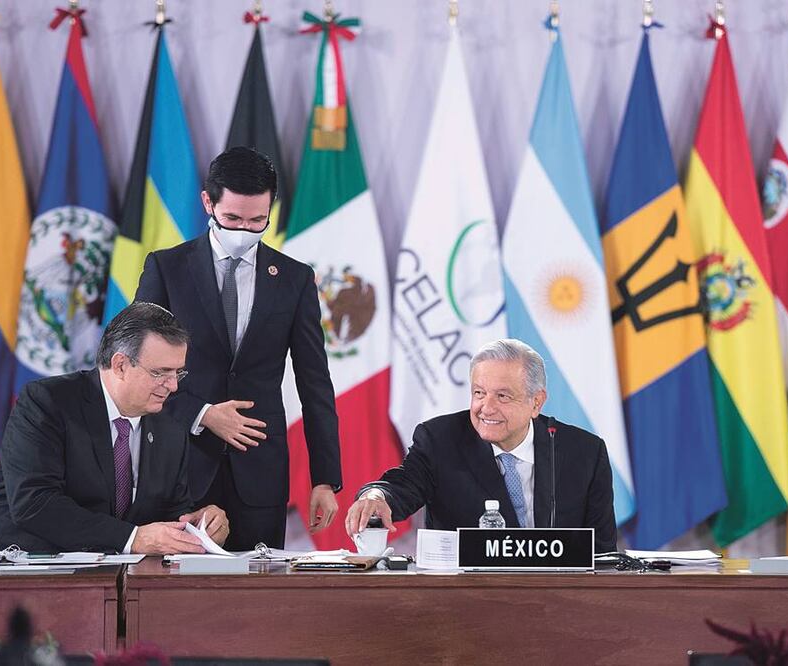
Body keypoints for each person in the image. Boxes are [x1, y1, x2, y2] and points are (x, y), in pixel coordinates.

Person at [134, 147, 341, 550]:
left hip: (259, 477)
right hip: (178, 468)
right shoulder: (166, 268)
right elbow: (135, 368)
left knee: (259, 602)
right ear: (208, 202)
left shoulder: (295, 280)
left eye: (257, 221)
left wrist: (324, 478)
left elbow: (315, 382)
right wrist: (204, 413)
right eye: (232, 219)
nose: (244, 231)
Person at [0, 302, 228, 554]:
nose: (173, 386)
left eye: (177, 373)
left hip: (113, 576)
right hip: (19, 563)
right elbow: (34, 503)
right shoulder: (48, 402)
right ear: (120, 365)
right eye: (160, 373)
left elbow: (169, 513)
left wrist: (197, 526)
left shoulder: (170, 428)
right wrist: (131, 538)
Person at [345, 339, 617, 553]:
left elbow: (603, 556)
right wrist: (376, 496)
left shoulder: (584, 453)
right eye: (479, 393)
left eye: (502, 396)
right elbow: (402, 484)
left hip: (560, 605)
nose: (486, 408)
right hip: (468, 603)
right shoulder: (440, 440)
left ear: (536, 402)